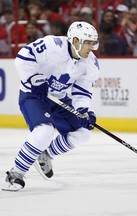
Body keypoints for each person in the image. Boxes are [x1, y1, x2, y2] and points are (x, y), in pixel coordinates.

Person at [2, 21, 100, 191]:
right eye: (88, 43)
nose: (91, 47)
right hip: (34, 95)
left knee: (83, 133)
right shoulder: (52, 46)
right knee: (44, 131)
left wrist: (83, 111)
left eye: (93, 43)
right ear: (75, 41)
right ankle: (16, 174)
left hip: (59, 99)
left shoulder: (90, 63)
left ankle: (46, 154)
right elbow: (23, 58)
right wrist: (34, 78)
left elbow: (82, 91)